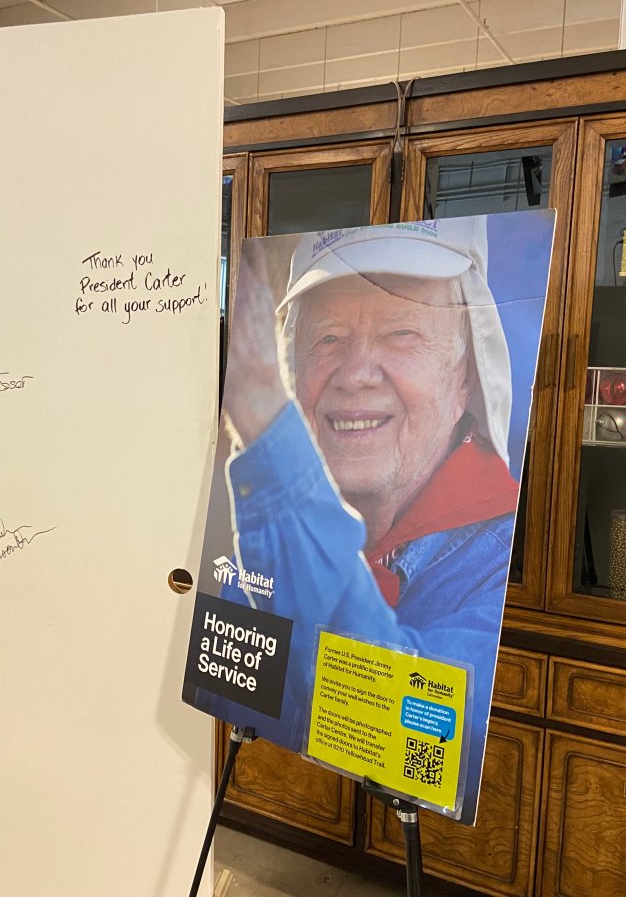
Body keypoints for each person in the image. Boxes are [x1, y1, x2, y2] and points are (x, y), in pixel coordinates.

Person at [209, 217, 529, 824]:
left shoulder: (496, 564)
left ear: (464, 378)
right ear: (290, 369)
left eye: (402, 332)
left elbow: (406, 711)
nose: (356, 373)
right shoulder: (242, 522)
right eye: (326, 338)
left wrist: (266, 431)